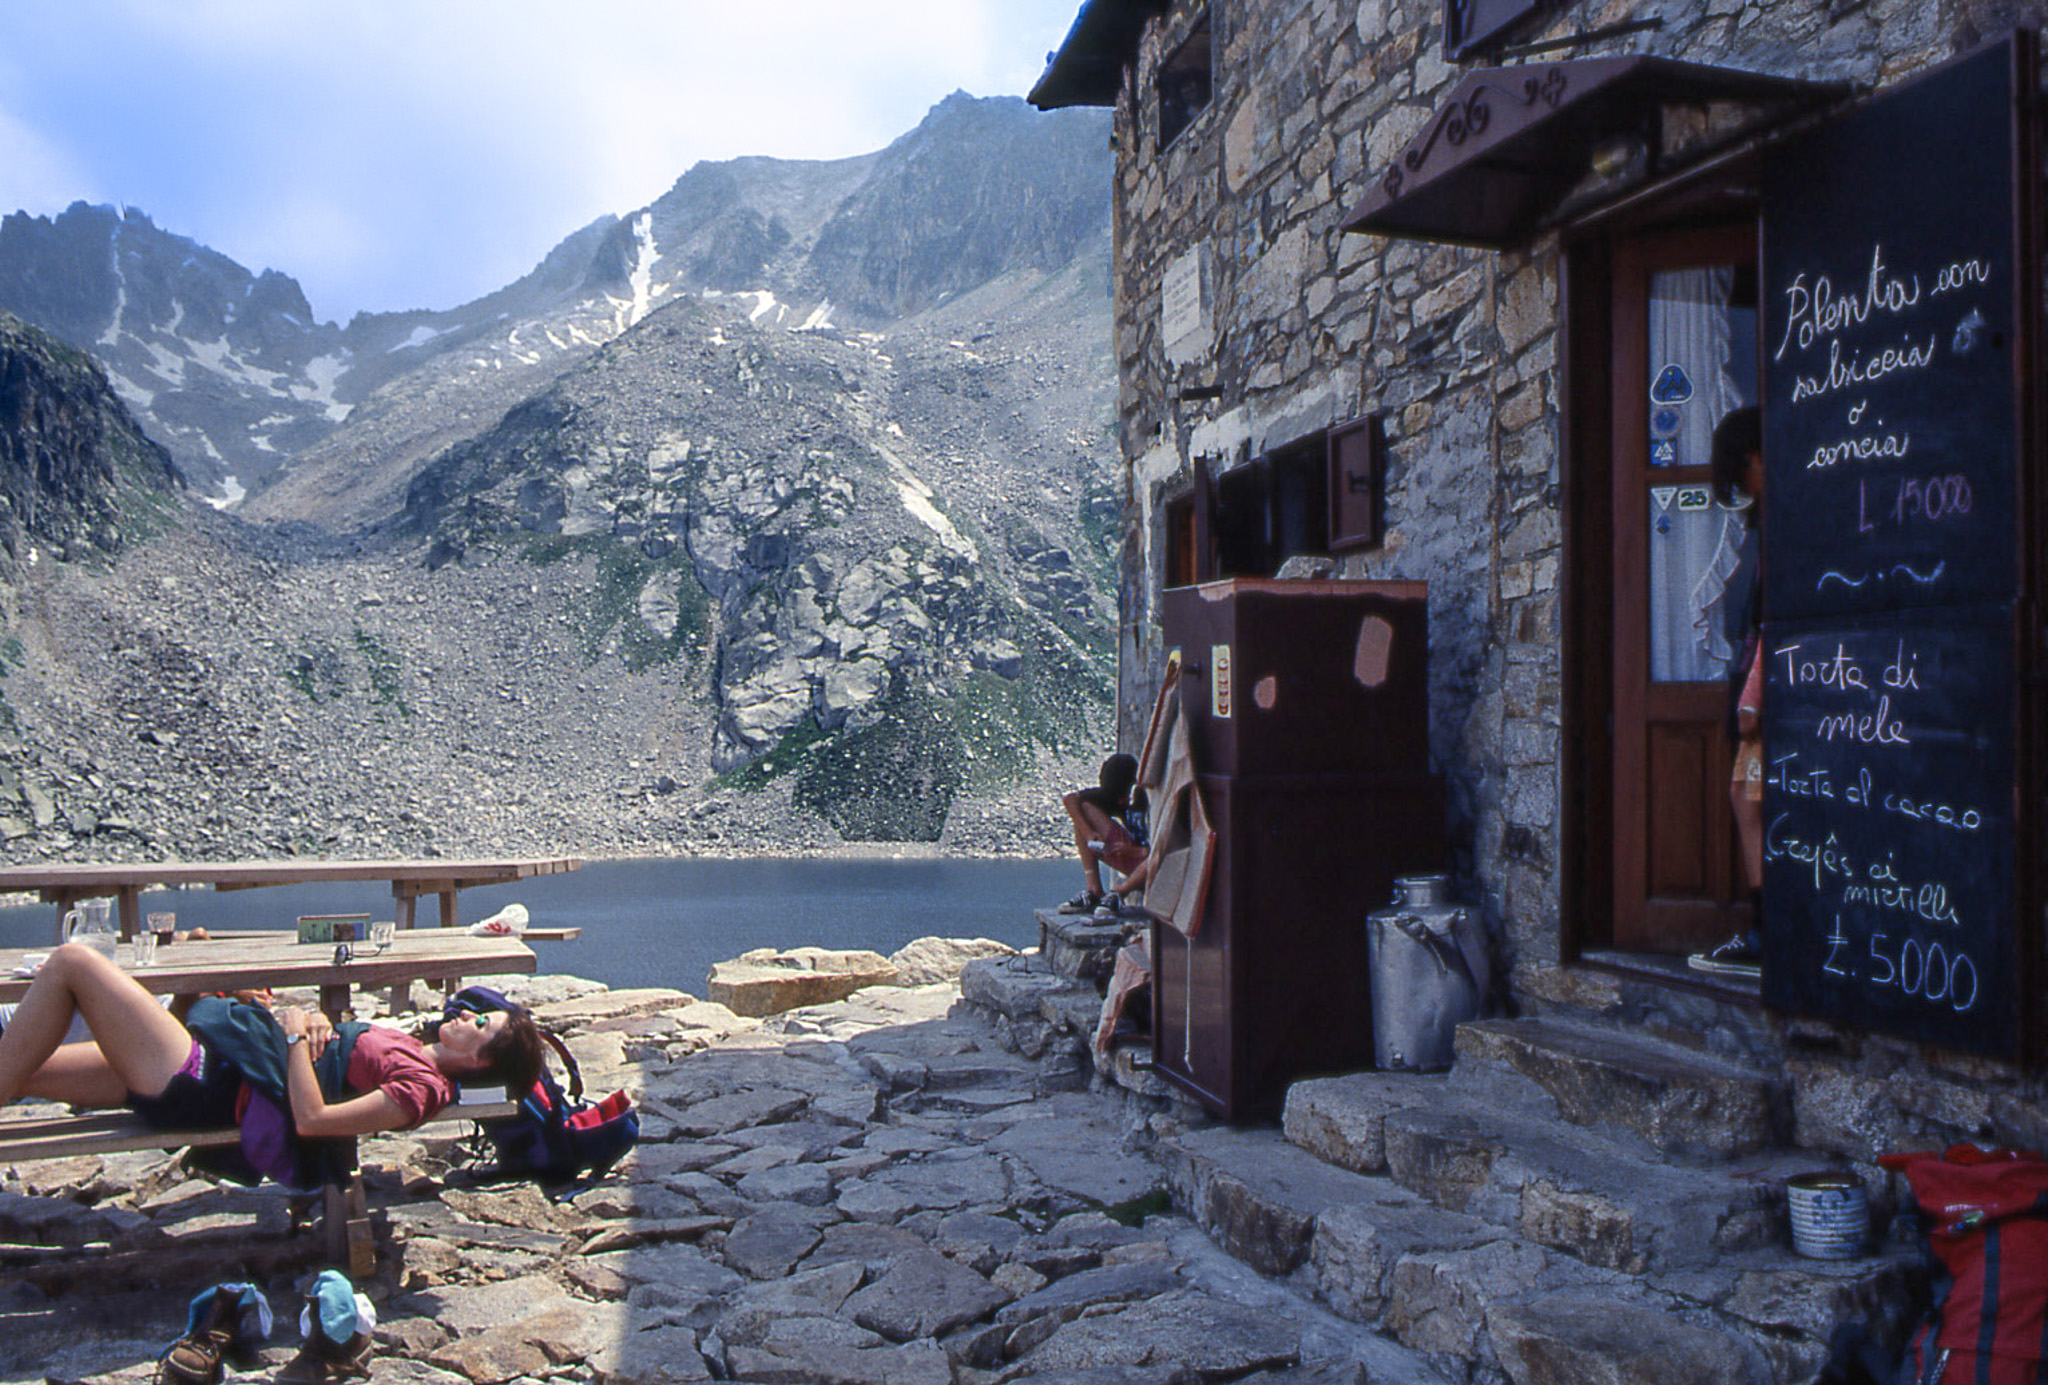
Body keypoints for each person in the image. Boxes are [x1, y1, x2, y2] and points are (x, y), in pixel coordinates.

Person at [0, 940, 546, 1164]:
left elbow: (314, 1120)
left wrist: (293, 1035)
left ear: (483, 1061)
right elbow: (336, 1057)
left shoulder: (422, 1088)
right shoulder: (417, 1049)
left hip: (206, 1083)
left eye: (481, 1023)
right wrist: (314, 1020)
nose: (466, 1014)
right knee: (21, 1071)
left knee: (74, 962)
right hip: (215, 1064)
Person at [1692, 405, 1765, 977]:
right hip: (1764, 685)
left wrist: (1753, 697)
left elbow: (1776, 622)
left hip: (1773, 692)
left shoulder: (1789, 524)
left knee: (1753, 801)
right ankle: (1767, 925)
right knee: (1747, 797)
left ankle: (1770, 929)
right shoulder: (1770, 523)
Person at [1058, 752, 1152, 919]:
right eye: (1118, 798)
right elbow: (1070, 799)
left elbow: (1167, 848)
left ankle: (1118, 893)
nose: (1121, 802)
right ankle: (1094, 891)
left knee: (1158, 858)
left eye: (1124, 797)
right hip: (1132, 859)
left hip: (1154, 867)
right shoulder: (1112, 795)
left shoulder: (1151, 800)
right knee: (1083, 812)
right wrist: (1089, 834)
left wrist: (1133, 851)